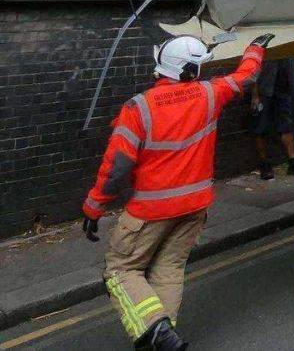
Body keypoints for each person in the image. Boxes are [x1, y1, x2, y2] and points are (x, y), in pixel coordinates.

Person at [81, 34, 273, 350]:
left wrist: (92, 208)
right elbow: (247, 75)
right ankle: (162, 339)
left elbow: (115, 169)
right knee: (167, 270)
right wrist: (256, 48)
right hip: (195, 208)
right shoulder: (210, 94)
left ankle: (155, 332)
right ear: (189, 71)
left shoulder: (138, 108)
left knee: (120, 270)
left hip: (149, 213)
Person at [250, 58, 294, 179]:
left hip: (284, 86)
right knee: (261, 126)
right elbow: (252, 66)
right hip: (264, 88)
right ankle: (264, 164)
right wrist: (255, 94)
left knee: (286, 123)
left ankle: (293, 162)